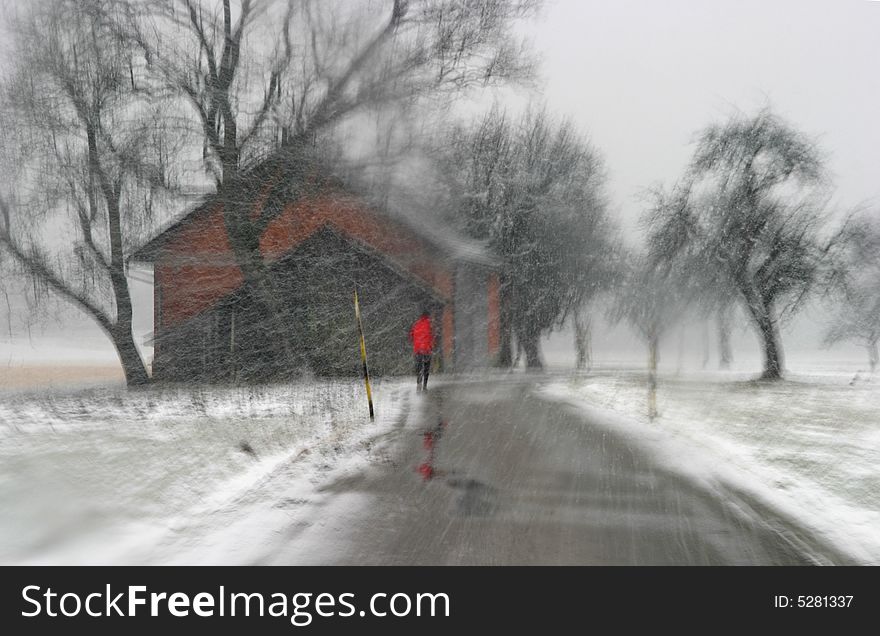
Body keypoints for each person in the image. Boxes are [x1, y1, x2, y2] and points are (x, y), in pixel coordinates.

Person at [409, 309, 435, 391]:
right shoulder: (430, 324)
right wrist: (432, 345)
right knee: (426, 368)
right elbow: (433, 336)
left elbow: (411, 336)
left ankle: (419, 383)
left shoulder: (416, 324)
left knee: (419, 367)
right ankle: (424, 386)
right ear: (428, 316)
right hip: (427, 350)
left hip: (418, 350)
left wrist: (416, 344)